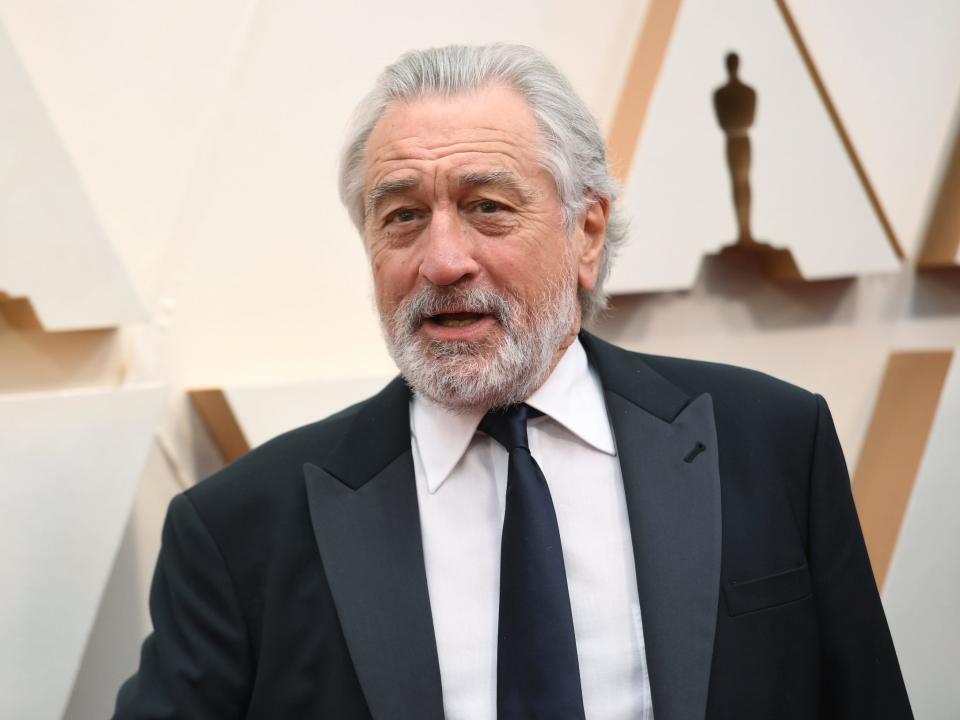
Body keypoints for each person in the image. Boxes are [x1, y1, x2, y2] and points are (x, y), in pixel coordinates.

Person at [114, 44, 912, 719]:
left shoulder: (770, 444)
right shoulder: (238, 530)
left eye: (488, 207)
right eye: (401, 216)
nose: (442, 260)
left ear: (586, 232)